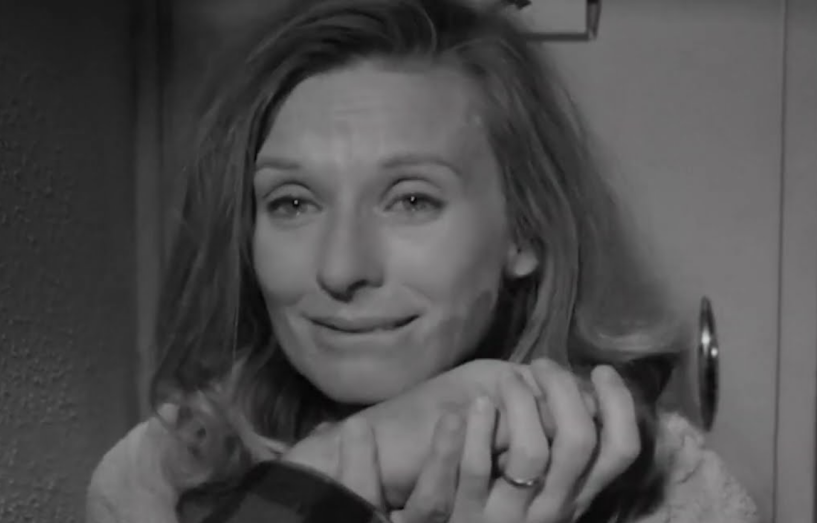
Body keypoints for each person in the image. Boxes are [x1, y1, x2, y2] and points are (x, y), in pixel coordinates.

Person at [87, 0, 759, 522]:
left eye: (410, 199)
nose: (340, 267)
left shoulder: (670, 486)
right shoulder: (163, 468)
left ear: (522, 232)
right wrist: (339, 467)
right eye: (293, 203)